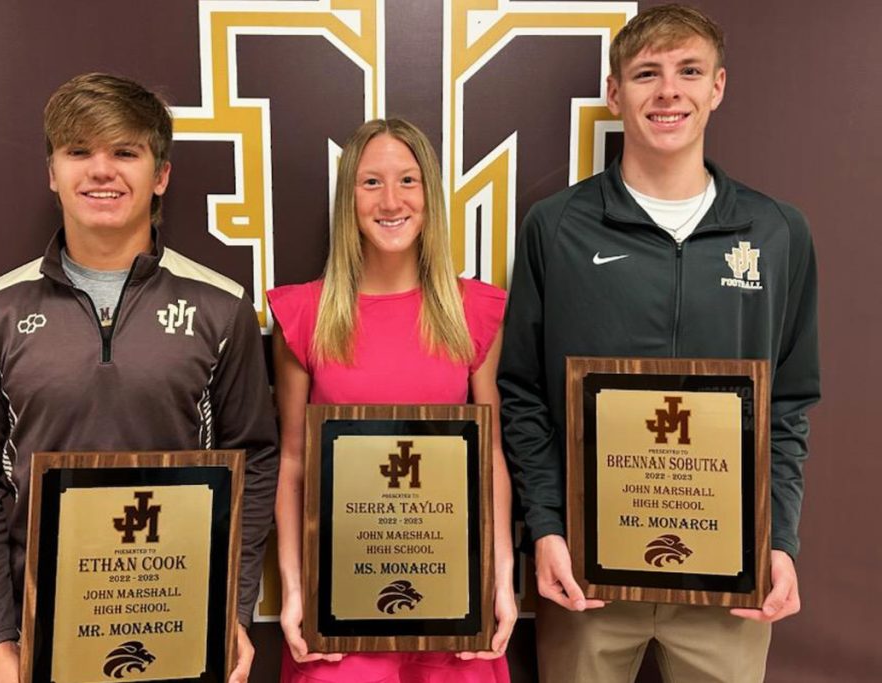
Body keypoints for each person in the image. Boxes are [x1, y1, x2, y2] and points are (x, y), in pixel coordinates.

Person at [498, 5, 820, 682]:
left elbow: (788, 404)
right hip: (588, 578)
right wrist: (548, 527)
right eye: (647, 73)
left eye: (689, 71)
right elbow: (522, 393)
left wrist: (779, 538)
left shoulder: (777, 231)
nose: (668, 90)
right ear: (615, 93)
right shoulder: (555, 227)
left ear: (718, 86)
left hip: (729, 579)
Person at [0, 72, 278, 683]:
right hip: (41, 644)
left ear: (161, 174)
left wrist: (235, 611)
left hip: (184, 633)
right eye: (78, 151)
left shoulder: (222, 308)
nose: (101, 171)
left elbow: (254, 460)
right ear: (52, 172)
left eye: (125, 152)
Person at [269, 118, 517, 683]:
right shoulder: (304, 315)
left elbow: (491, 457)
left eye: (408, 181)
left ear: (429, 194)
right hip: (341, 607)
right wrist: (294, 589)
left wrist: (502, 578)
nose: (391, 200)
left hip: (454, 601)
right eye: (370, 183)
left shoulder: (472, 311)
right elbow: (291, 463)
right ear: (347, 200)